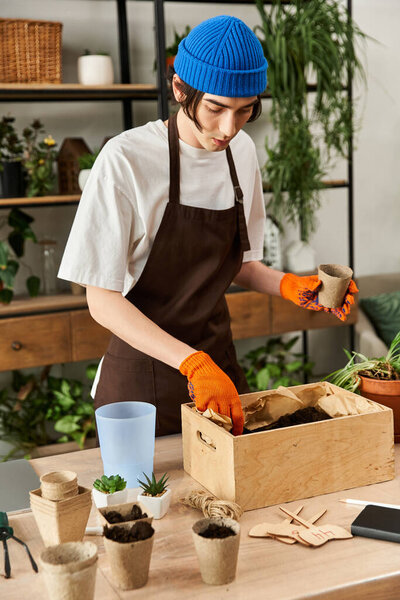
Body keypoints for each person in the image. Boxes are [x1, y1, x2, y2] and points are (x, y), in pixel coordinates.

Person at [58, 15, 357, 438]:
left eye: (245, 110)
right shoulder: (125, 160)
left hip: (217, 367)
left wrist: (292, 286)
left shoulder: (242, 152)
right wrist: (191, 362)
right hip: (143, 381)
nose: (228, 128)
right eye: (215, 108)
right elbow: (101, 301)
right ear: (180, 88)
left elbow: (236, 262)